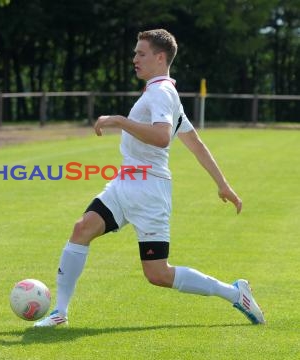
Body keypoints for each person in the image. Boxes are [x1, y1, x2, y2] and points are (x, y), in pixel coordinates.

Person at [34, 29, 265, 327]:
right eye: (135, 53)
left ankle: (234, 294)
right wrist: (223, 184)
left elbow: (161, 137)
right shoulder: (164, 91)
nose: (134, 59)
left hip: (149, 191)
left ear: (160, 57)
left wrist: (118, 120)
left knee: (158, 274)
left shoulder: (161, 92)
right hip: (126, 182)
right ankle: (59, 313)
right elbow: (195, 142)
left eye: (141, 53)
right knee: (82, 229)